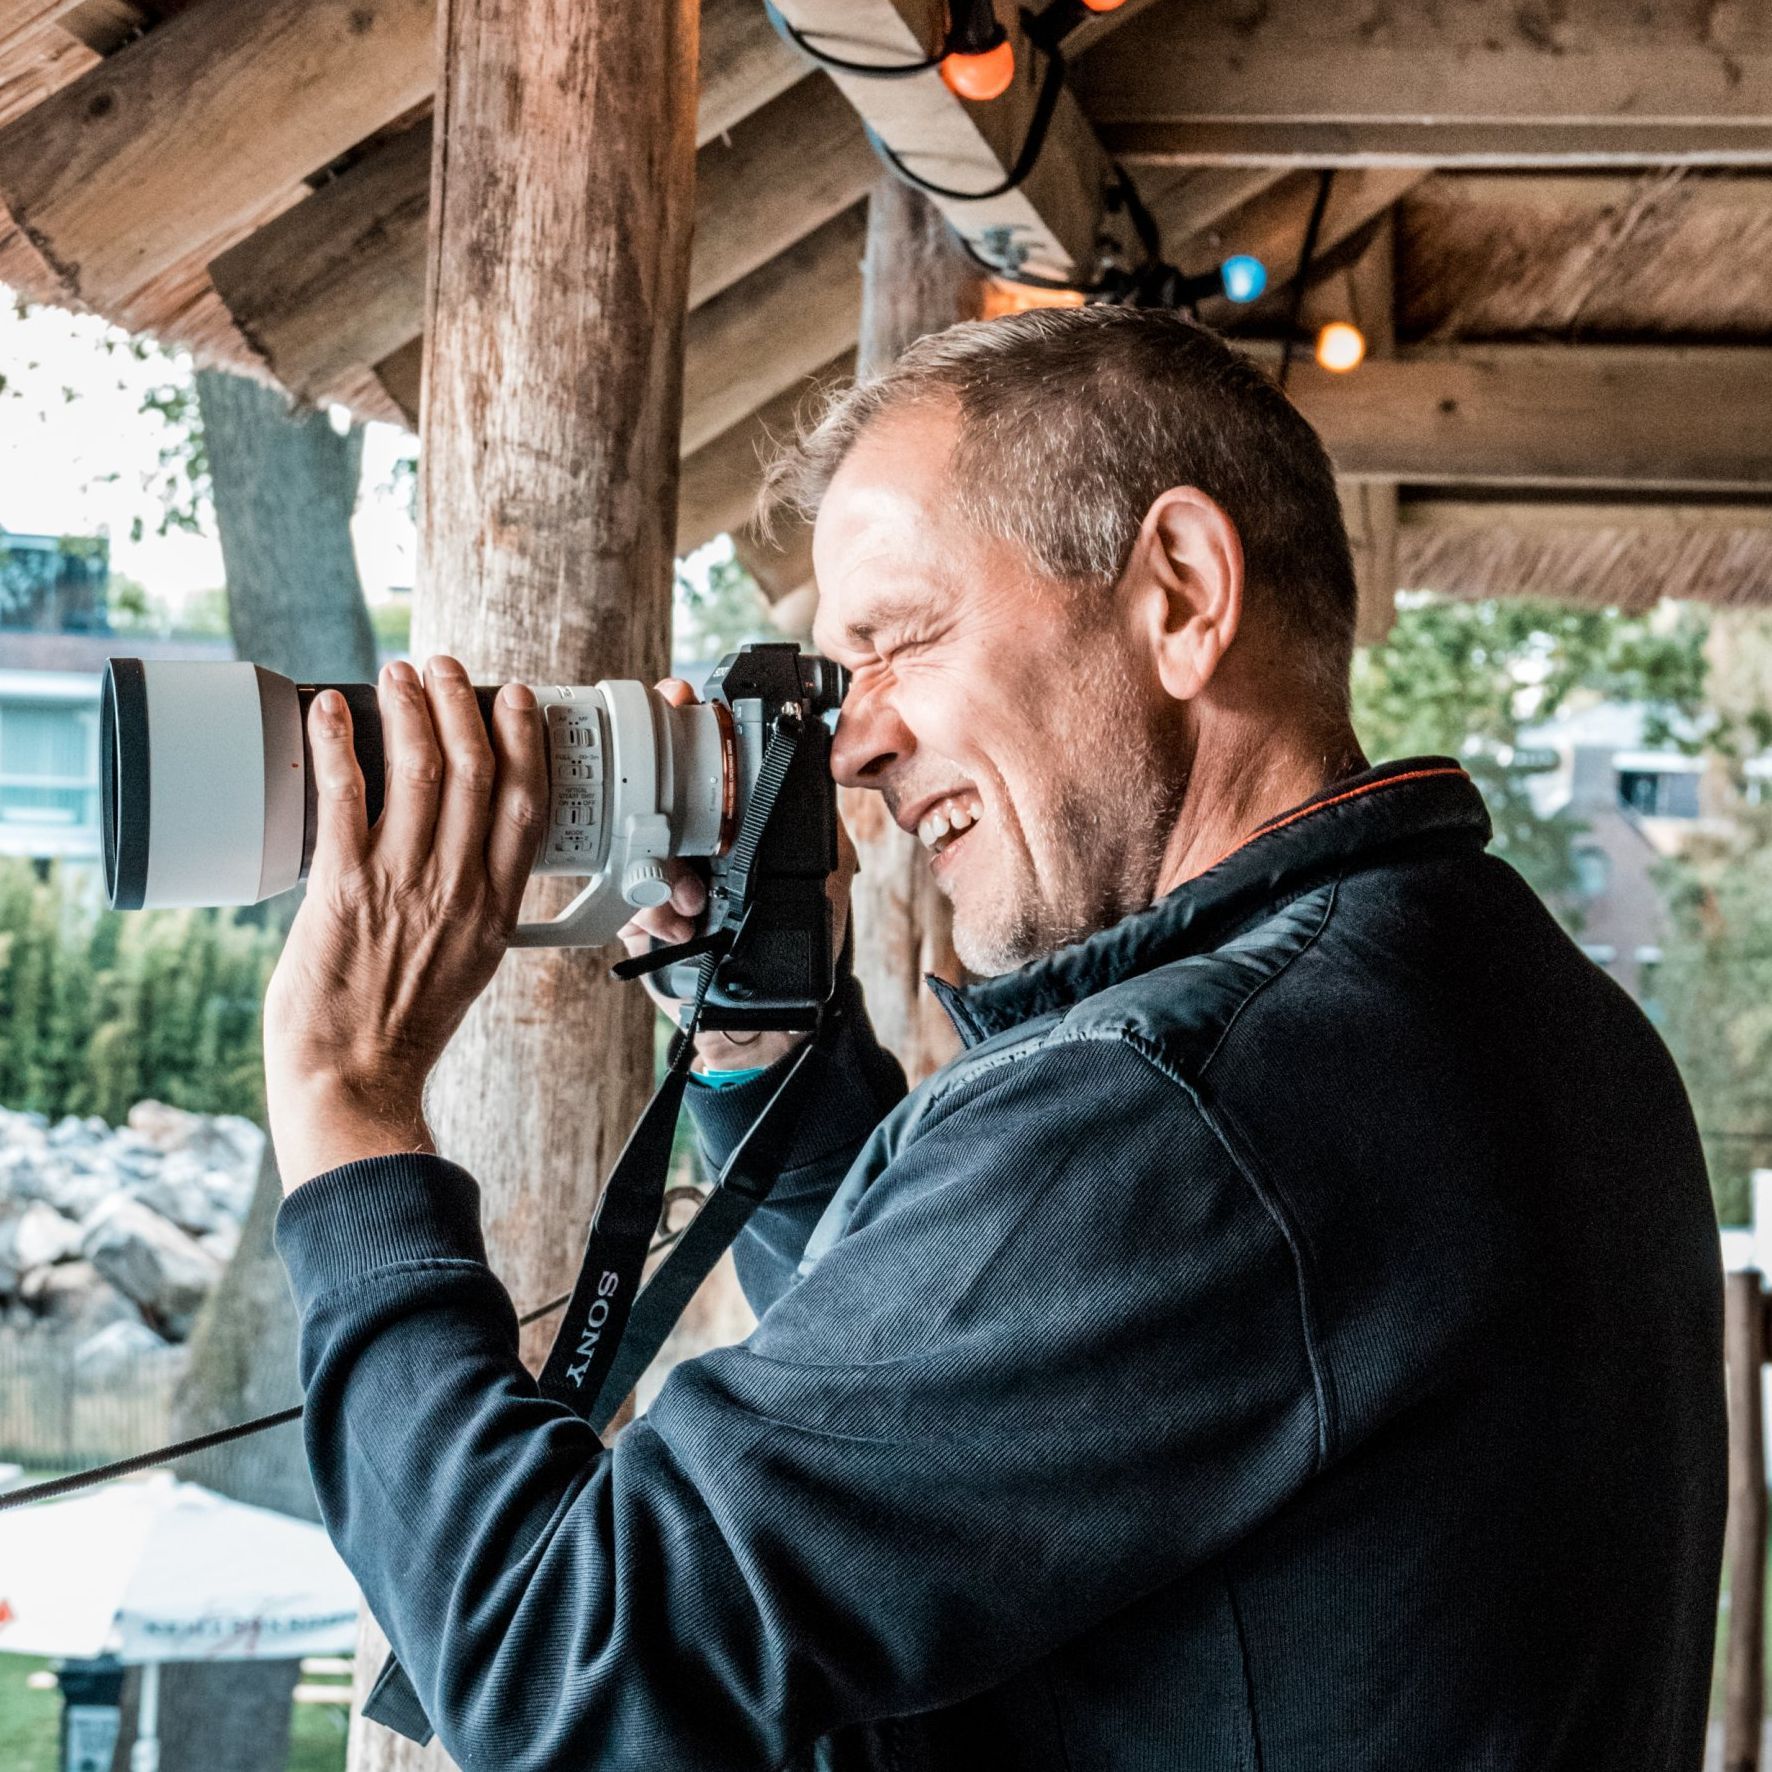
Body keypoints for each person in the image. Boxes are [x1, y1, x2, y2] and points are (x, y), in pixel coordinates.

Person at [268, 308, 1725, 1772]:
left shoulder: (1180, 1108)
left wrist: (347, 1103)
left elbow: (559, 1654)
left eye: (901, 640)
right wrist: (770, 1049)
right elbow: (987, 1402)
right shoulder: (1514, 996)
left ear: (1178, 592)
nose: (853, 741)